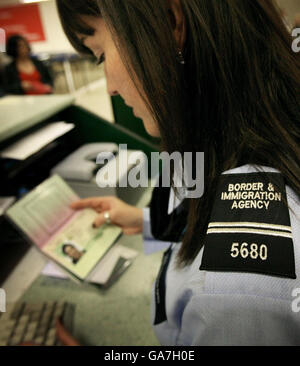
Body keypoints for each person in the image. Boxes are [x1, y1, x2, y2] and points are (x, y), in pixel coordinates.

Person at [56, 0, 300, 346]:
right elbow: (201, 213)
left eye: (99, 53)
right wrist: (143, 220)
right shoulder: (231, 145)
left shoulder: (236, 289)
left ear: (171, 23)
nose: (108, 85)